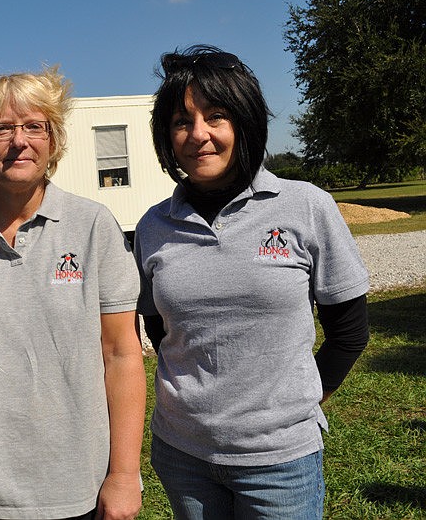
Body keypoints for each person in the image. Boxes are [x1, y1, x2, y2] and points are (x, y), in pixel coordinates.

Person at [134, 44, 370, 519]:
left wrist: (289, 407)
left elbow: (349, 332)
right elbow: (161, 331)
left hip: (280, 461)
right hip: (183, 456)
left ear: (244, 122)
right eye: (182, 121)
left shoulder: (306, 205)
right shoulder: (153, 226)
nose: (198, 134)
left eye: (216, 116)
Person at [0, 67, 146, 520]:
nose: (19, 140)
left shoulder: (93, 225)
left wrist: (123, 474)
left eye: (34, 126)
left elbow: (121, 353)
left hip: (80, 486)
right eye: (0, 128)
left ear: (53, 141)